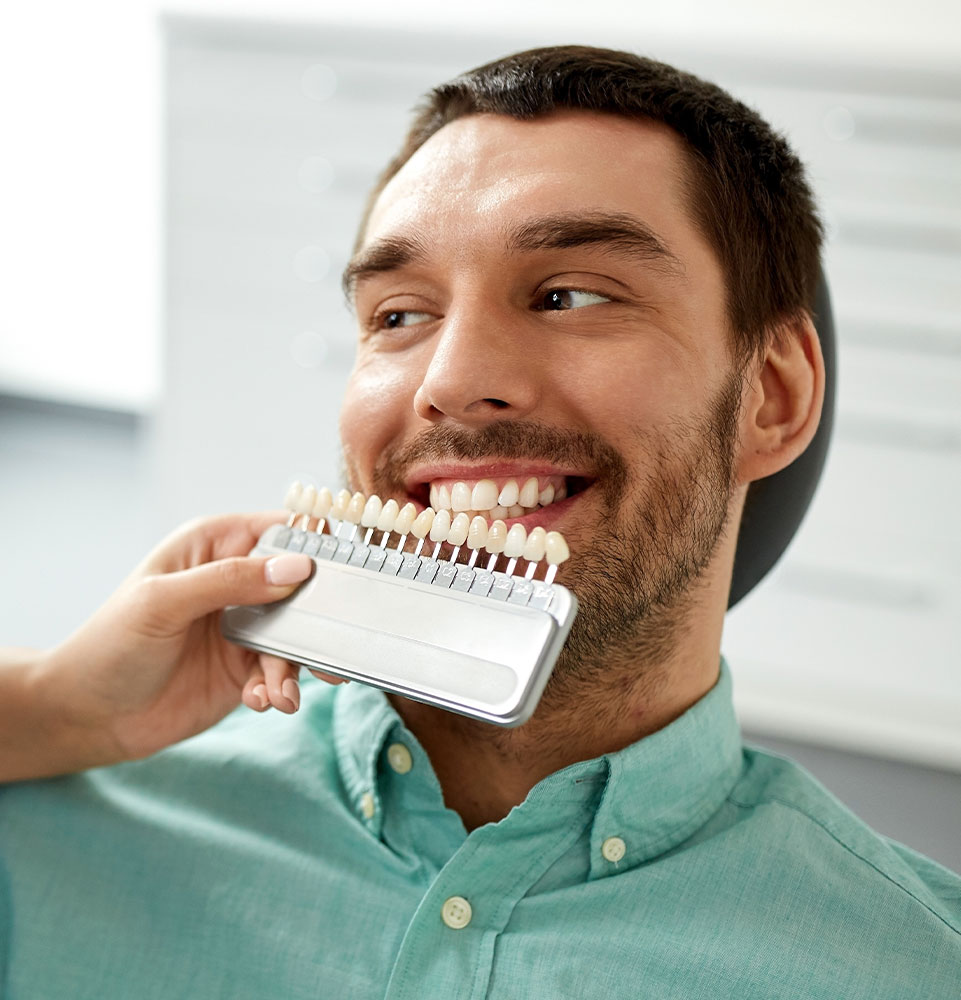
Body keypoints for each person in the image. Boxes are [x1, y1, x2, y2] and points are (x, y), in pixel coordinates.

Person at [1, 45, 958, 999]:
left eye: (570, 295)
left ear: (774, 397)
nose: (451, 383)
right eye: (399, 315)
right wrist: (50, 706)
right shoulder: (41, 810)